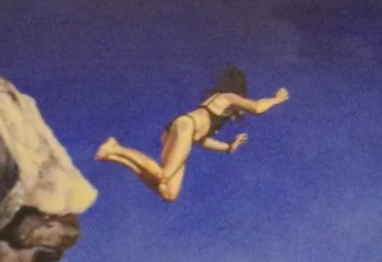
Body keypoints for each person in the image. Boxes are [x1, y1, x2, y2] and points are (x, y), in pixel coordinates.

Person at [93, 66, 290, 201]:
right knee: (163, 174)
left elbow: (202, 140)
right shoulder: (227, 98)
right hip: (186, 125)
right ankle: (116, 148)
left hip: (181, 130)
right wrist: (276, 99)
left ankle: (113, 156)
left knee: (169, 193)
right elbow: (256, 107)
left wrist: (228, 147)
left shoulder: (219, 115)